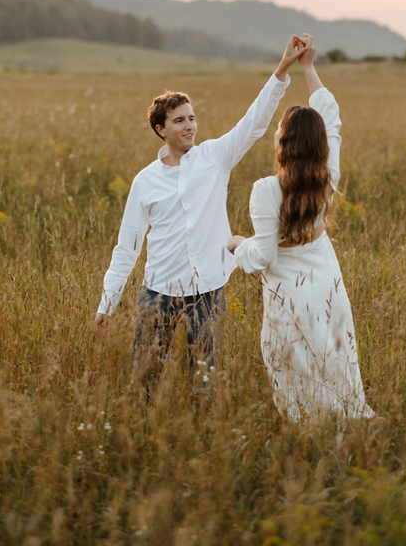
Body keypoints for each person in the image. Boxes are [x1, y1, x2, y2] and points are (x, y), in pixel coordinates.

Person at [93, 35, 309, 390]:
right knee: (144, 379)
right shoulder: (145, 182)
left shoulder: (214, 158)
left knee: (205, 382)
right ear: (161, 130)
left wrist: (282, 68)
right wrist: (108, 301)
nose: (189, 126)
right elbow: (127, 248)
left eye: (191, 118)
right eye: (179, 121)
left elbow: (254, 123)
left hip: (208, 290)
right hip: (158, 292)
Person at [227, 36, 374, 420]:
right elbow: (333, 119)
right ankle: (348, 422)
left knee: (294, 368)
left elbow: (262, 257)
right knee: (337, 361)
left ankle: (309, 429)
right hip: (327, 284)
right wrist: (308, 67)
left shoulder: (265, 190)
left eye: (279, 128)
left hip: (288, 294)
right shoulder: (328, 177)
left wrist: (236, 244)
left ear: (284, 141)